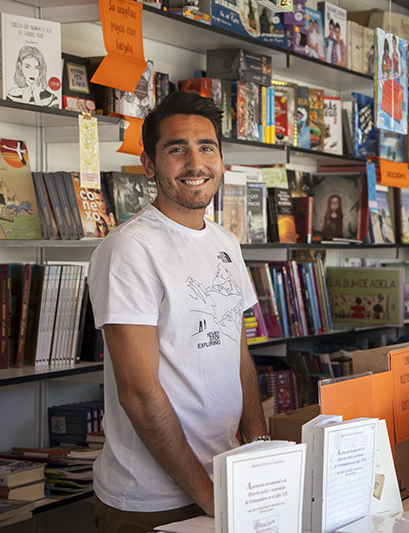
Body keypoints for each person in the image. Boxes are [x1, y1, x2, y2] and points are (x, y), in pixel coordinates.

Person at [87, 91, 268, 533]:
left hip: (227, 481)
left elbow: (237, 354)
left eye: (207, 147)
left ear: (222, 160)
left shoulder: (226, 243)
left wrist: (261, 452)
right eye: (176, 149)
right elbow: (139, 392)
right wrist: (206, 493)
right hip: (153, 499)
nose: (195, 163)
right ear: (149, 165)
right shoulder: (129, 248)